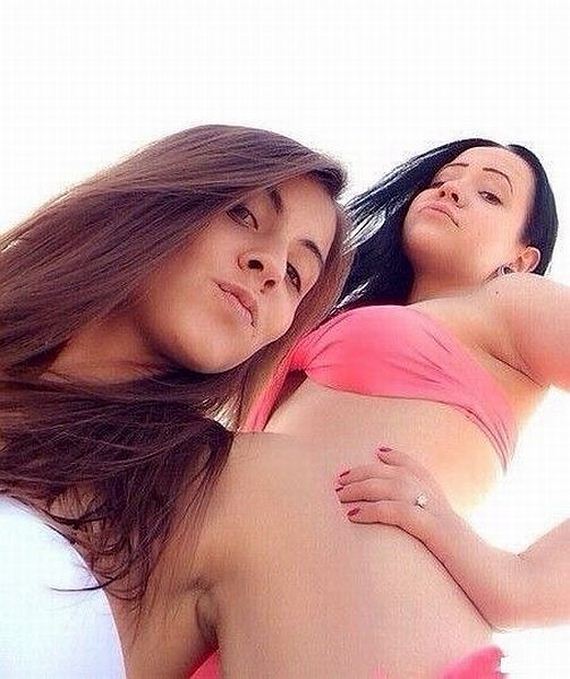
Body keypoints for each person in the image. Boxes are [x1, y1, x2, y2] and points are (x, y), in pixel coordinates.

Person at [190, 139, 567, 678]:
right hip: (235, 634)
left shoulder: (515, 303)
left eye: (490, 194)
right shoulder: (319, 313)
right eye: (444, 180)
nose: (452, 190)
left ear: (522, 258)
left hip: (386, 643)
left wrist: (519, 583)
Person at [0, 123, 350, 677]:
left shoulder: (224, 495)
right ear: (162, 197)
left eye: (295, 274)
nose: (269, 268)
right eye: (244, 215)